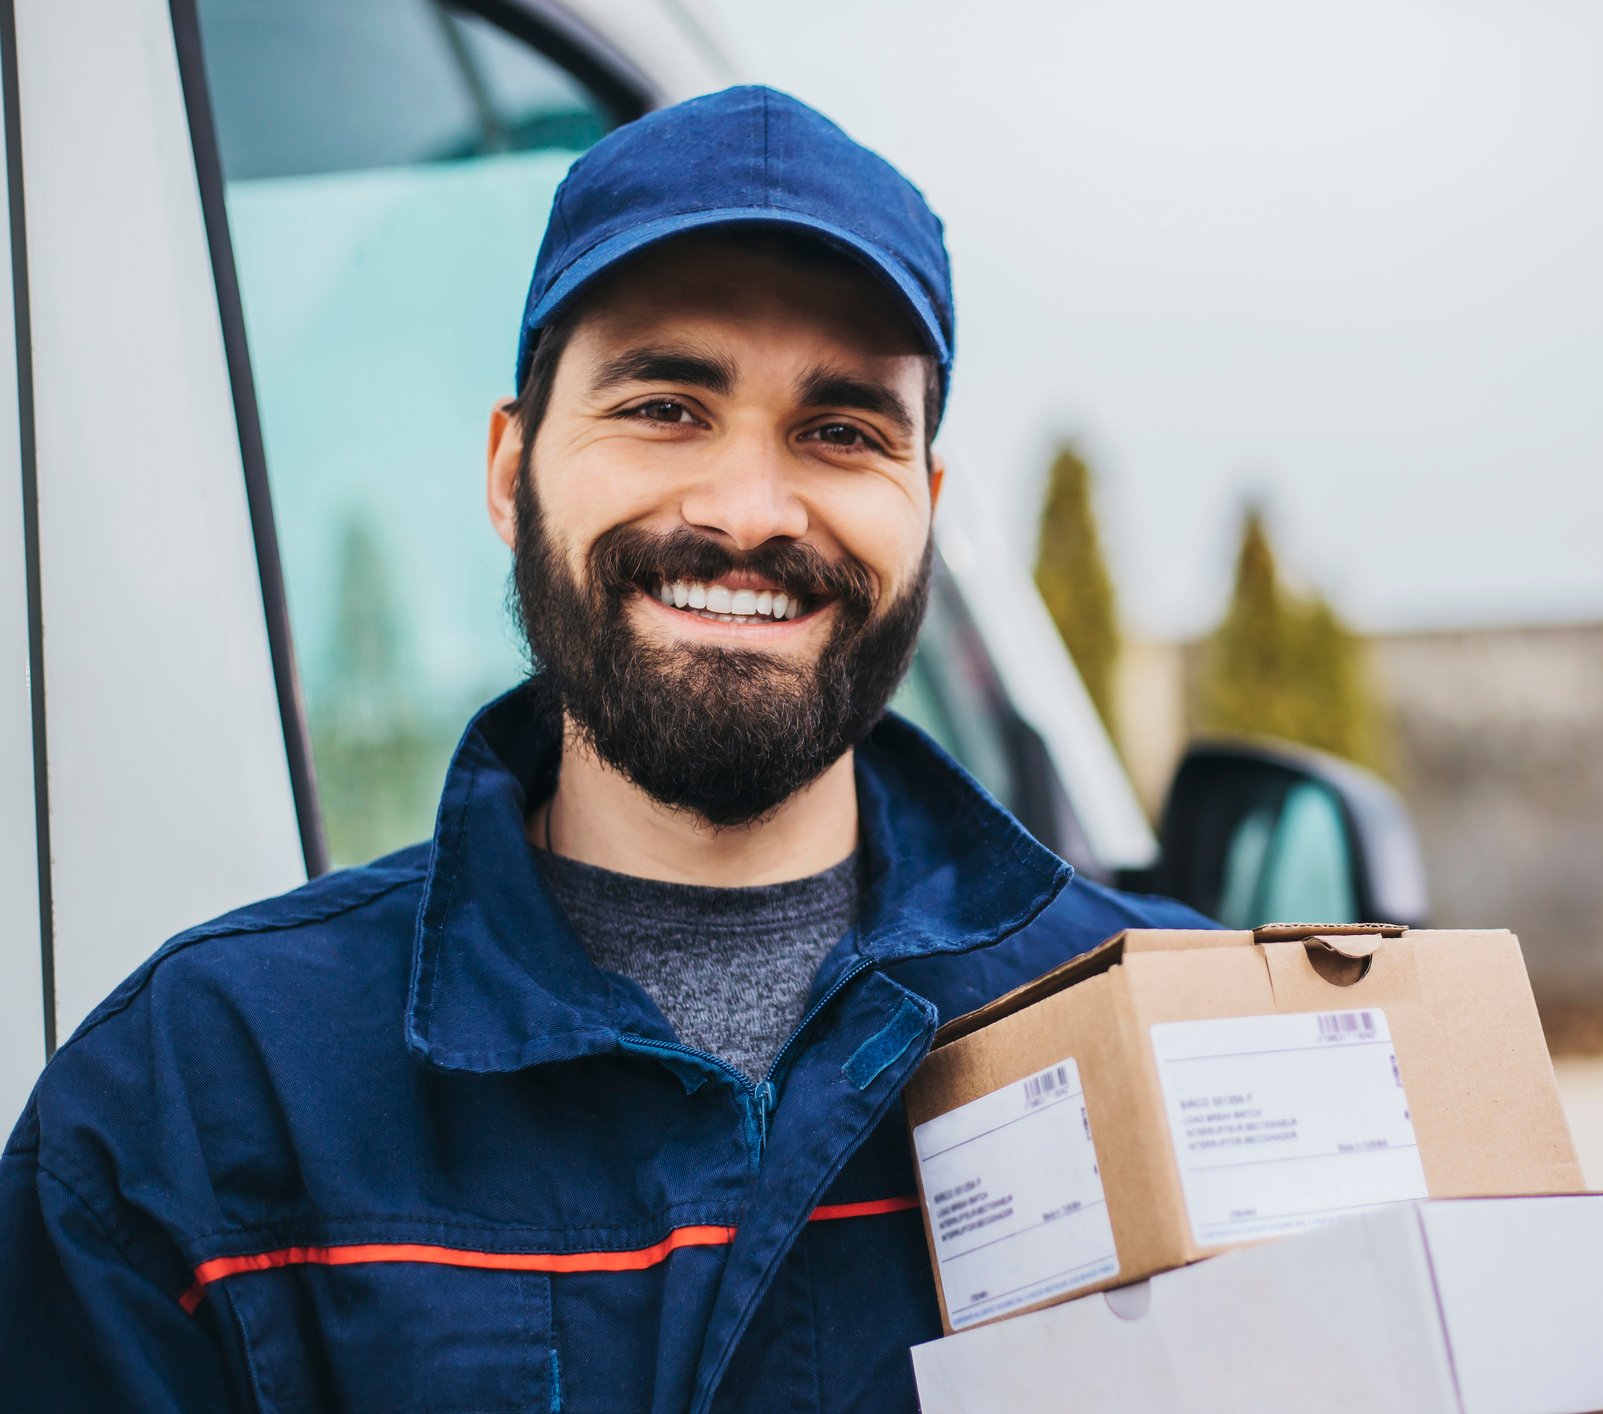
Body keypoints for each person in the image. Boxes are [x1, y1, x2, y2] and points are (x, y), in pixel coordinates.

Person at [0, 86, 1210, 1412]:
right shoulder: (191, 1102)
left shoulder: (1180, 1043)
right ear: (511, 469)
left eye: (842, 430)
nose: (748, 509)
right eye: (662, 407)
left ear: (920, 503)